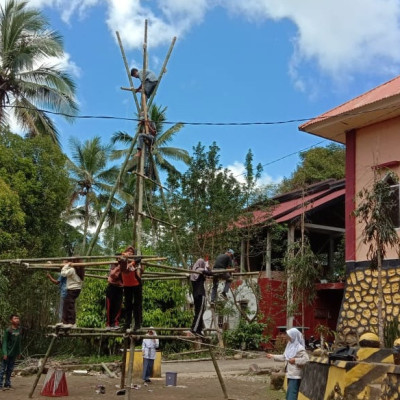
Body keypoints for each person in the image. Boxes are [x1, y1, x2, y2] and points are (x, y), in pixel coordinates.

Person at [266, 328, 309, 400]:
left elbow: (306, 359)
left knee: (292, 394)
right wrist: (272, 356)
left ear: (294, 336)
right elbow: (284, 357)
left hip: (295, 375)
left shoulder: (299, 348)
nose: (287, 336)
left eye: (289, 335)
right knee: (289, 393)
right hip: (290, 373)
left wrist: (295, 360)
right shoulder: (289, 345)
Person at [120, 246, 142, 331]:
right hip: (127, 285)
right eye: (128, 251)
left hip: (136, 284)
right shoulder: (122, 260)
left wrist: (132, 262)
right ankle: (127, 324)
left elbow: (139, 258)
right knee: (128, 305)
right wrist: (125, 255)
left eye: (132, 251)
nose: (130, 252)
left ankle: (137, 324)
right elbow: (120, 259)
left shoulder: (135, 261)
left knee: (137, 305)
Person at [190, 258, 212, 336]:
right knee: (200, 312)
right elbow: (210, 273)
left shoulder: (193, 273)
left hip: (195, 295)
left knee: (198, 312)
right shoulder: (199, 270)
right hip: (200, 294)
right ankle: (195, 329)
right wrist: (208, 268)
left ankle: (198, 329)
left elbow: (206, 275)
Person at [60, 259, 84, 328]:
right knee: (67, 304)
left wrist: (66, 265)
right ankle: (65, 322)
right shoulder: (79, 270)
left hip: (72, 289)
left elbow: (63, 273)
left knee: (70, 305)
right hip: (75, 289)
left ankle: (71, 322)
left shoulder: (72, 270)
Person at [0, 314, 22, 390]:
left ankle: (7, 384)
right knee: (3, 369)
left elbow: (18, 342)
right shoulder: (8, 330)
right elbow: (5, 342)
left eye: (18, 318)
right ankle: (0, 385)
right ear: (11, 320)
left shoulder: (19, 329)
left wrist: (19, 352)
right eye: (15, 318)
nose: (17, 320)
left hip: (14, 353)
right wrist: (5, 353)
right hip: (7, 353)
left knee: (10, 369)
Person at [105, 261, 123, 330]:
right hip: (112, 287)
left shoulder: (126, 265)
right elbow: (113, 275)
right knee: (109, 307)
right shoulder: (113, 264)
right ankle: (108, 324)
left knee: (118, 307)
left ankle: (115, 323)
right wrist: (118, 267)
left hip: (120, 288)